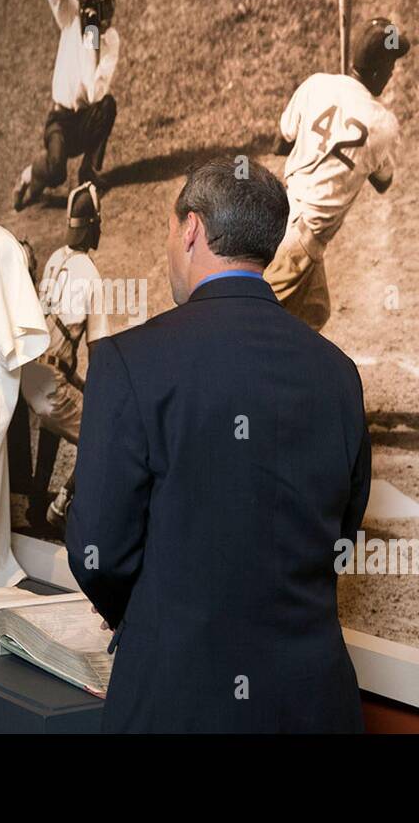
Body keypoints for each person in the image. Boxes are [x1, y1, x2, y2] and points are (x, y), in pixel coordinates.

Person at [67, 157, 369, 733]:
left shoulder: (129, 361)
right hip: (312, 702)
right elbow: (342, 531)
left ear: (191, 229)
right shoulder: (338, 373)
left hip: (176, 699)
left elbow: (97, 550)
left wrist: (149, 616)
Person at [266, 17, 407, 330]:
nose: (392, 72)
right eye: (391, 65)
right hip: (299, 242)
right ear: (379, 71)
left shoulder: (316, 84)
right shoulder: (382, 123)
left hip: (281, 217)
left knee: (314, 313)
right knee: (248, 324)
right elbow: (383, 182)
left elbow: (281, 141)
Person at [20, 182, 110, 532]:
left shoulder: (57, 258)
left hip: (31, 376)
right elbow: (98, 352)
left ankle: (35, 503)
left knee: (52, 422)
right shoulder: (91, 273)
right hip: (51, 384)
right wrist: (105, 400)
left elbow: (57, 341)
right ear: (93, 224)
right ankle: (60, 507)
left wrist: (79, 384)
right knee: (104, 436)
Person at [14, 0, 119, 210]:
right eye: (98, 2)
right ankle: (28, 176)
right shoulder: (70, 15)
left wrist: (93, 38)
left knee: (108, 105)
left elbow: (94, 93)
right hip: (60, 120)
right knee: (56, 173)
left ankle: (88, 172)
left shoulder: (109, 39)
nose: (103, 10)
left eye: (106, 2)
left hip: (84, 120)